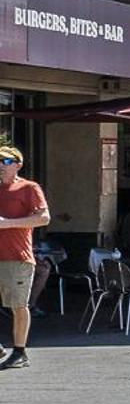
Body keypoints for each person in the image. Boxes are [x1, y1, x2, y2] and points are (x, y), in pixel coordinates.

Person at [0, 146, 50, 371]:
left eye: (6, 161)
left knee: (18, 305)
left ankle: (20, 352)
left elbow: (43, 218)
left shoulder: (28, 187)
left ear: (18, 164)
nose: (1, 165)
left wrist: (8, 224)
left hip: (16, 257)